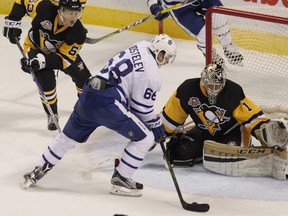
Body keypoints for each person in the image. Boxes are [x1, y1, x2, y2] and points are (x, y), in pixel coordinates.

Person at [20, 33, 177, 196]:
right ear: (160, 52)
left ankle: (36, 172)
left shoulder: (141, 45)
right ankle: (122, 180)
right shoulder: (153, 76)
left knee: (65, 139)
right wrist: (156, 127)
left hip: (89, 92)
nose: (165, 62)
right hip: (108, 103)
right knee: (146, 138)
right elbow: (140, 109)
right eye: (165, 57)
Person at [160, 63, 288, 180]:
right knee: (179, 152)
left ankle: (240, 150)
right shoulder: (187, 90)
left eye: (218, 86)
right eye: (211, 86)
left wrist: (264, 128)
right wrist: (160, 132)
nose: (214, 90)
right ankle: (203, 150)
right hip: (204, 131)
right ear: (203, 82)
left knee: (231, 153)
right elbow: (171, 117)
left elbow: (250, 116)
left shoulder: (233, 91)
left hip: (233, 132)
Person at [2, 0, 91, 131]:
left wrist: (43, 61)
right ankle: (52, 114)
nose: (74, 17)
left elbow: (64, 59)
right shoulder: (44, 9)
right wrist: (13, 19)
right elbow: (23, 1)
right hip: (35, 48)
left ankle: (85, 109)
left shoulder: (78, 33)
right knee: (46, 82)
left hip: (59, 54)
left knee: (84, 79)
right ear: (60, 11)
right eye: (70, 13)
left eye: (77, 13)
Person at [147, 0, 244, 65]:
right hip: (179, 8)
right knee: (203, 32)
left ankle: (228, 48)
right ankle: (210, 54)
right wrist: (155, 8)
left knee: (219, 14)